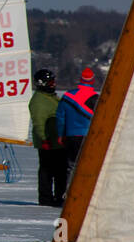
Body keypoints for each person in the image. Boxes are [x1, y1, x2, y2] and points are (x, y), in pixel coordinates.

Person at [29, 68, 67, 205]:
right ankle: (46, 199)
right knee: (47, 171)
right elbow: (38, 122)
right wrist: (44, 139)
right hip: (48, 142)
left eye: (53, 81)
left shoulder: (51, 97)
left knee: (60, 172)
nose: (53, 84)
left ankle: (59, 197)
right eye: (50, 82)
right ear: (42, 83)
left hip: (57, 141)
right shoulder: (39, 101)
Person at [56, 66, 101, 174]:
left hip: (71, 136)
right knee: (88, 167)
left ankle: (70, 189)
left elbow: (60, 118)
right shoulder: (97, 99)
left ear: (81, 80)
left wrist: (60, 135)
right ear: (93, 80)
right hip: (90, 137)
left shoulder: (67, 96)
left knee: (72, 167)